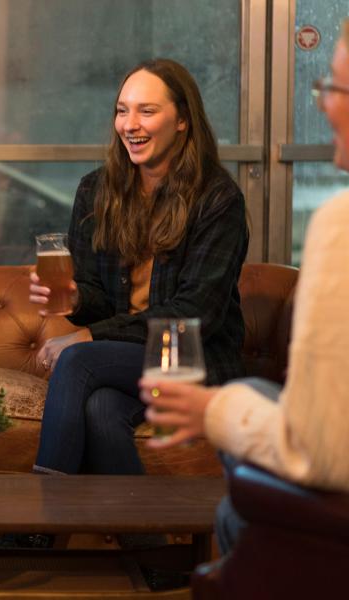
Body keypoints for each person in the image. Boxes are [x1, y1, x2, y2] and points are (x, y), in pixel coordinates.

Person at [140, 21, 349, 555]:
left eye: (335, 88)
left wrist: (215, 410)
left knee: (238, 499)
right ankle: (153, 550)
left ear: (182, 122)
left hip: (207, 362)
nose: (324, 105)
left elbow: (321, 450)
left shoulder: (336, 224)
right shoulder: (101, 191)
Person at [29, 58, 249, 478]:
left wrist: (90, 335)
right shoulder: (96, 189)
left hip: (193, 360)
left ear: (182, 120)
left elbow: (194, 313)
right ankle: (146, 543)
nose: (131, 123)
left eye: (147, 111)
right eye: (122, 110)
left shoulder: (218, 198)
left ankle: (34, 534)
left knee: (78, 361)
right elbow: (96, 295)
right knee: (100, 409)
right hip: (127, 357)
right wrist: (75, 297)